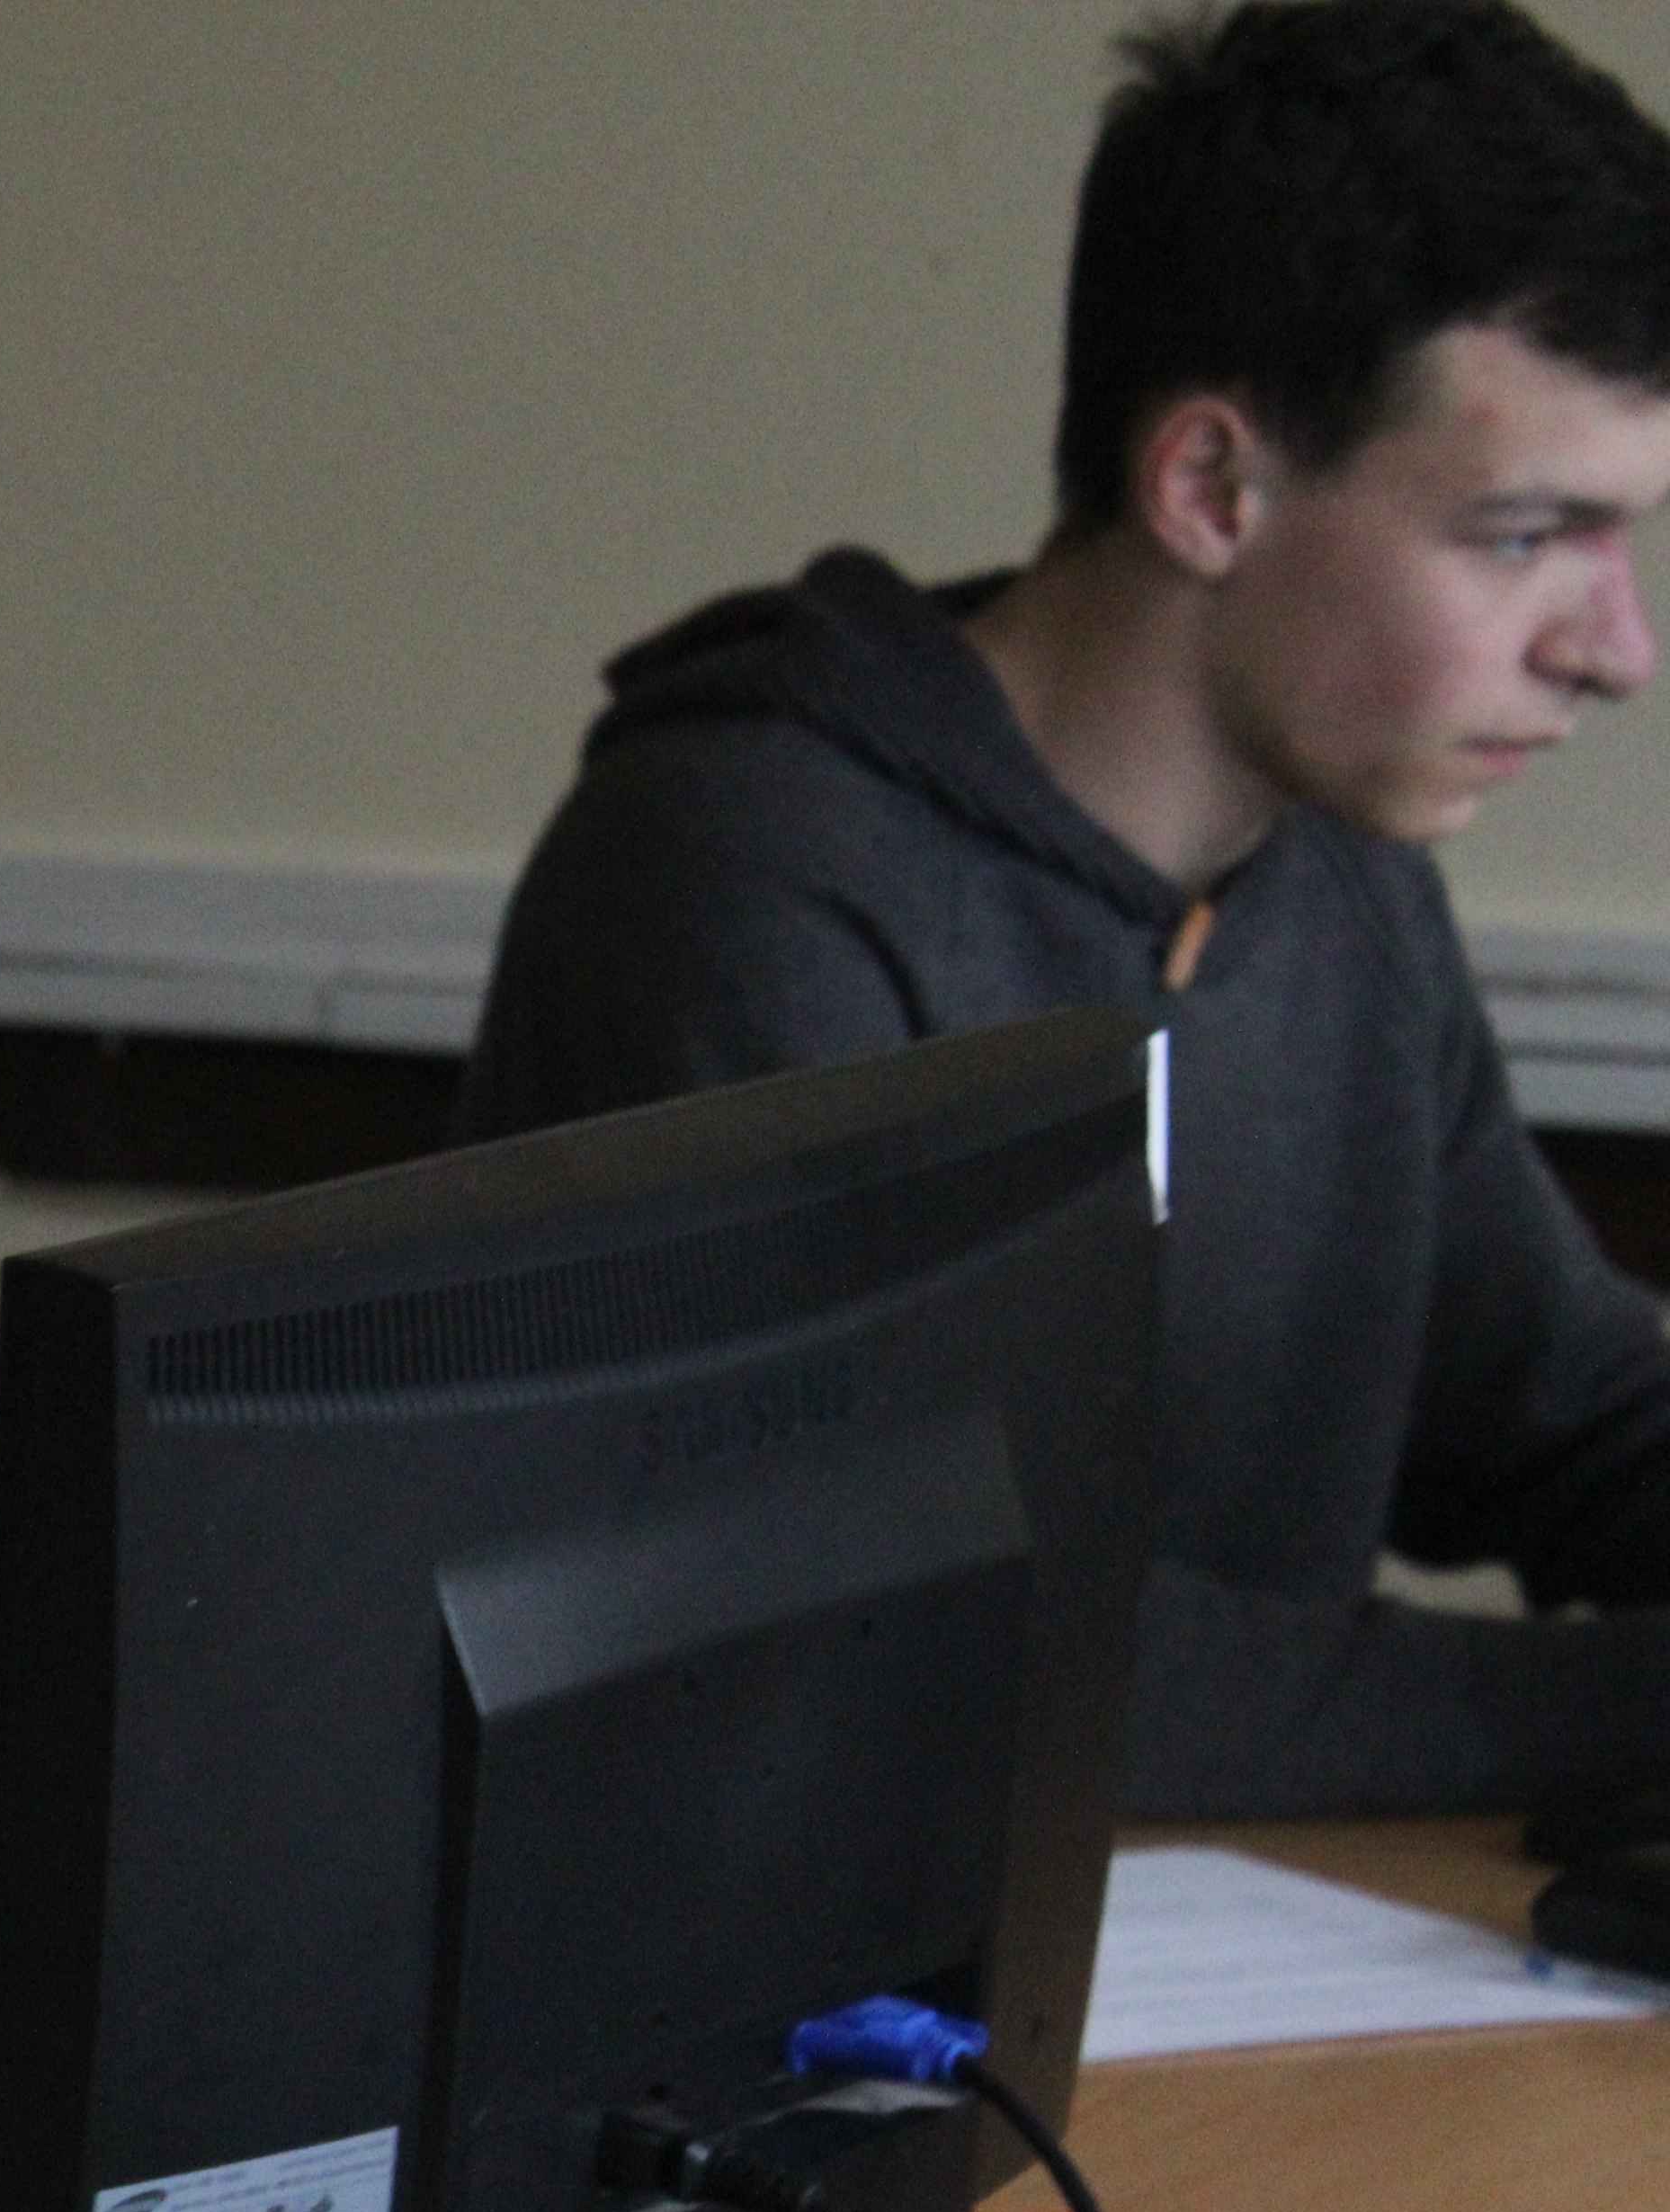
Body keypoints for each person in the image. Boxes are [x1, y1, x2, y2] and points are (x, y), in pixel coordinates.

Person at [463, 0, 1670, 1819]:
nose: (1619, 651)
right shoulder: (746, 877)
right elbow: (919, 1657)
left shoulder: (1339, 880)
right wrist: (1633, 1705)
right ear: (1210, 487)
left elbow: (1558, 1418)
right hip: (781, 1974)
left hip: (1201, 1959)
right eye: (1522, 536)